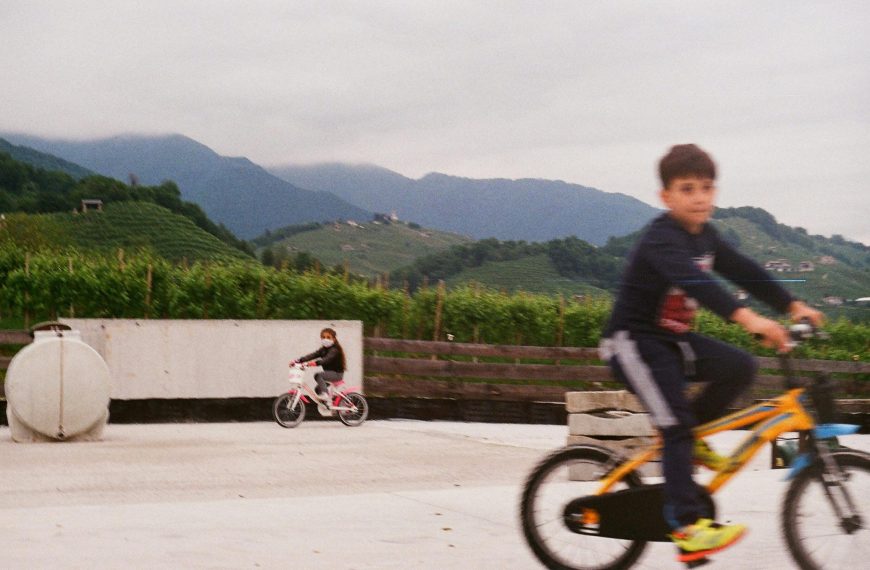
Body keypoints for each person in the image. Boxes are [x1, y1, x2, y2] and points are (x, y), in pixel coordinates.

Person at [598, 144, 824, 564]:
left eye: (706, 187)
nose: (700, 197)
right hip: (634, 342)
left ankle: (687, 439)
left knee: (740, 365)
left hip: (673, 340)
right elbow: (697, 283)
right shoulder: (661, 238)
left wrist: (792, 306)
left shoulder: (707, 237)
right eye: (687, 189)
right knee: (676, 426)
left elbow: (744, 271)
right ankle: (686, 527)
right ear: (666, 197)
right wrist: (749, 320)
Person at [292, 328, 347, 402]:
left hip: (337, 374)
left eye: (328, 337)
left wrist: (314, 363)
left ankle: (326, 395)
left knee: (318, 375)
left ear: (333, 339)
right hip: (329, 373)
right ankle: (327, 404)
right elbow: (313, 355)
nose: (325, 339)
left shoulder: (334, 350)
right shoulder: (323, 349)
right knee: (318, 389)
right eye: (323, 337)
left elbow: (326, 360)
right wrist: (298, 361)